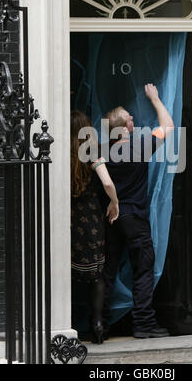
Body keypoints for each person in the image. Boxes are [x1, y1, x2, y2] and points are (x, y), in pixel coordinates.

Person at [102, 83, 174, 339]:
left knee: (108, 270)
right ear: (125, 128)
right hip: (135, 218)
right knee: (143, 269)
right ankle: (144, 324)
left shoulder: (101, 151)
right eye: (130, 118)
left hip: (112, 218)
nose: (134, 119)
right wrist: (155, 98)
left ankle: (101, 323)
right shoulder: (138, 146)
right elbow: (168, 127)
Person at [71, 110, 119, 344]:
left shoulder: (60, 151)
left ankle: (65, 325)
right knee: (96, 274)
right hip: (90, 217)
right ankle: (97, 325)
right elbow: (107, 182)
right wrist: (114, 202)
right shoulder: (90, 151)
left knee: (66, 272)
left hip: (69, 216)